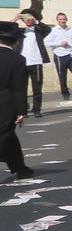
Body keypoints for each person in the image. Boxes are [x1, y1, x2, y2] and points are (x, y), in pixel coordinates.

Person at [0, 21, 32, 181]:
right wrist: (21, 111)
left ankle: (20, 168)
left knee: (9, 137)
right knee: (4, 135)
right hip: (6, 103)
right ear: (16, 41)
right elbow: (19, 88)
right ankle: (20, 168)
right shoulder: (17, 59)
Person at [43, 12, 72, 100]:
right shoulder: (53, 30)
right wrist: (60, 43)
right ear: (57, 20)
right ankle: (65, 94)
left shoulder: (71, 30)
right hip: (60, 55)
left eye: (64, 19)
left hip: (71, 55)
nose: (62, 21)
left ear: (66, 19)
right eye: (60, 19)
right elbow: (46, 43)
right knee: (62, 76)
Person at [14, 10, 48, 118]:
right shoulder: (20, 31)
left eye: (30, 18)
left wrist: (36, 22)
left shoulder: (39, 31)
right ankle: (22, 111)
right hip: (22, 63)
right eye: (26, 18)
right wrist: (15, 19)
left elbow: (48, 29)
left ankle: (36, 109)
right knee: (21, 88)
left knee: (37, 88)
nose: (28, 20)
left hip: (36, 62)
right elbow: (5, 30)